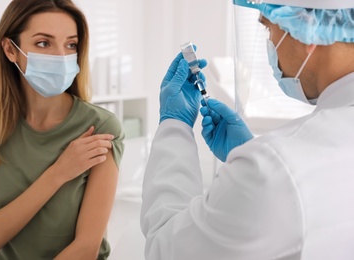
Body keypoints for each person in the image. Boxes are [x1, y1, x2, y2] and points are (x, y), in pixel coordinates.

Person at [140, 1, 354, 259]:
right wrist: (247, 149)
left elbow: (166, 247)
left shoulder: (272, 172)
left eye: (268, 29)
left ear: (306, 29)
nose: (271, 45)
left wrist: (174, 125)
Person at [0, 0, 124, 259]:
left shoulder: (101, 128)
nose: (61, 57)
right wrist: (59, 173)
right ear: (10, 49)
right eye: (43, 43)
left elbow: (86, 248)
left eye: (70, 44)